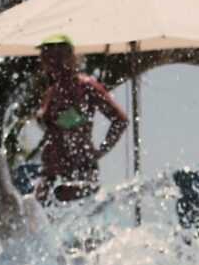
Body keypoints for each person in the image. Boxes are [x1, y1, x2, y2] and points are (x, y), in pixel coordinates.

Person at [33, 34, 129, 204]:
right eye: (45, 54)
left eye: (55, 54)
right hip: (50, 175)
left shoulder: (85, 87)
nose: (49, 59)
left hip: (79, 173)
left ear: (70, 55)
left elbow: (120, 120)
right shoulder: (52, 92)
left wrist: (99, 152)